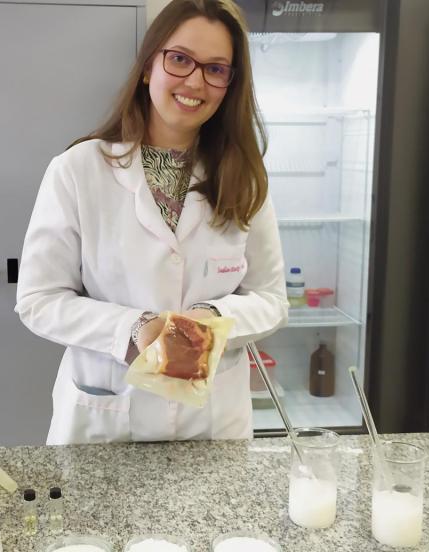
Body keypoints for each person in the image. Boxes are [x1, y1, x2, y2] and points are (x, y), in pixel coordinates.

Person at [15, 0, 287, 445]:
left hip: (211, 425)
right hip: (107, 415)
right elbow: (38, 300)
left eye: (216, 69)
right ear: (148, 68)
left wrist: (212, 318)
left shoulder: (244, 177)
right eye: (179, 59)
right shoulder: (79, 170)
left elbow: (271, 299)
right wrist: (135, 327)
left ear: (229, 85)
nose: (195, 81)